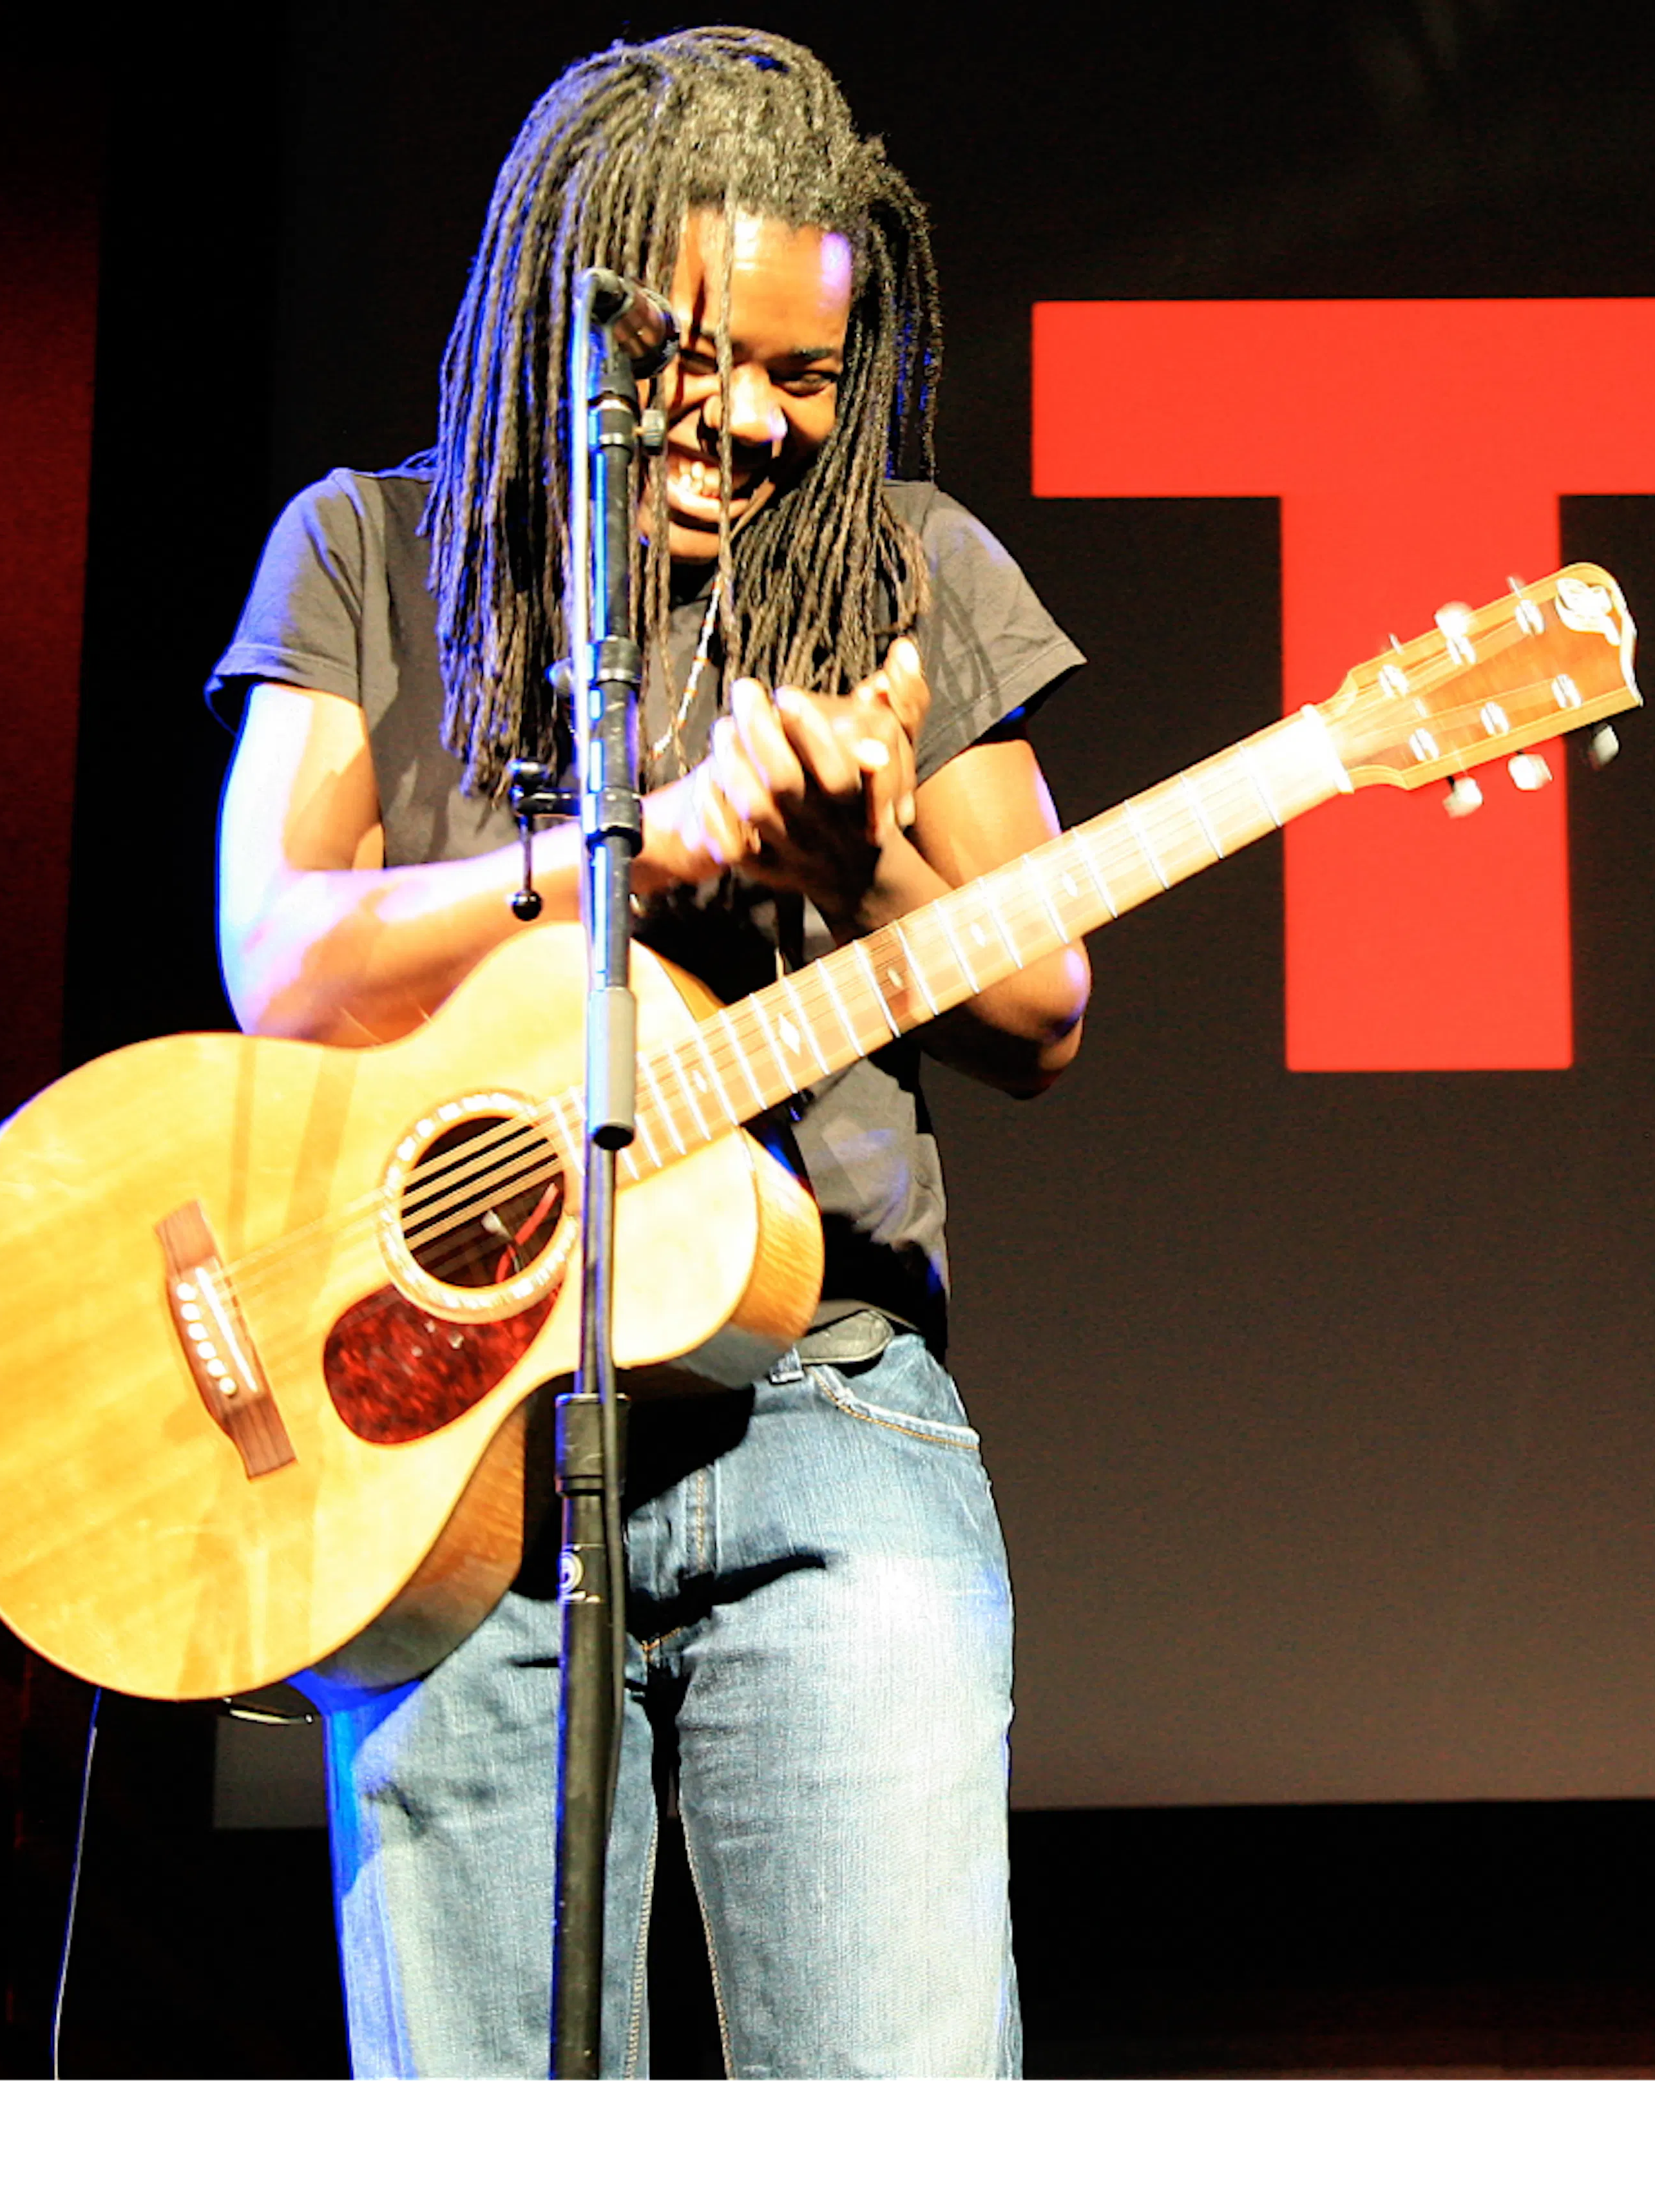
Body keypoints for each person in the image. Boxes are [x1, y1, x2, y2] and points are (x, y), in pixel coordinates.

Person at [211, 28, 1089, 2079]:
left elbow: (1040, 1008)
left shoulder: (908, 566)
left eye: (804, 372)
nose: (755, 421)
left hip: (822, 1417)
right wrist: (619, 848)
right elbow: (279, 955)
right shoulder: (362, 552)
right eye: (703, 357)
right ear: (564, 300)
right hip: (449, 1445)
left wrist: (859, 865)